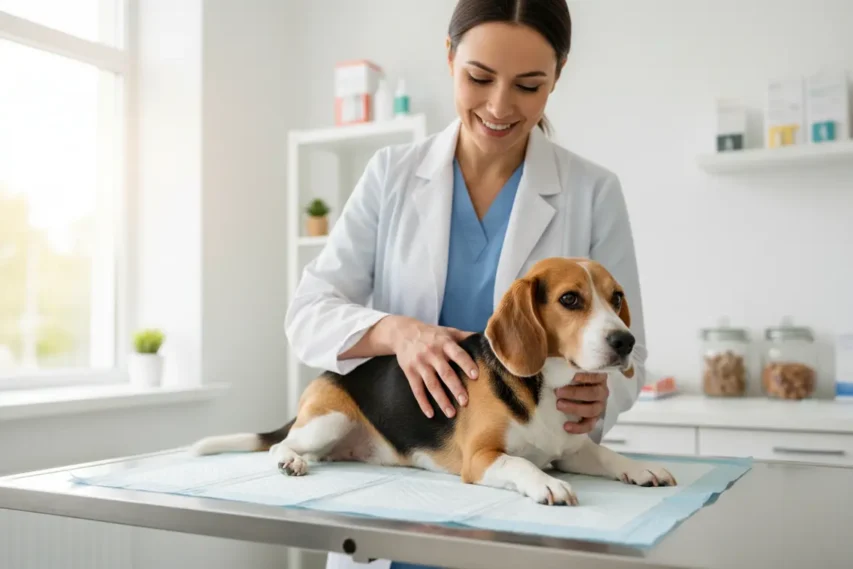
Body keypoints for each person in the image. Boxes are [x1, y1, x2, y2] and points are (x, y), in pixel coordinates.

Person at [284, 0, 648, 567]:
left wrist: (597, 399)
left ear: (558, 76)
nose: (500, 106)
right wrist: (393, 332)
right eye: (479, 78)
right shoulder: (391, 175)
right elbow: (307, 312)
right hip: (399, 501)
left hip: (524, 504)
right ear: (450, 56)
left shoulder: (593, 191)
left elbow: (629, 353)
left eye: (529, 85)